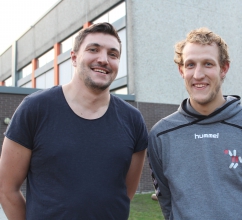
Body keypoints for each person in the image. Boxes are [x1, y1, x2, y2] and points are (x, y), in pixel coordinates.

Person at [0, 22, 148, 219]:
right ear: (74, 57)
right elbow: (6, 189)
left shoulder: (133, 119)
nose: (103, 59)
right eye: (93, 49)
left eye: (113, 54)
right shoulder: (35, 109)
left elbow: (125, 193)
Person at [147, 27, 242, 220]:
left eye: (208, 64)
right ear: (181, 70)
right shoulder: (160, 135)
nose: (198, 74)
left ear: (224, 68)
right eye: (190, 65)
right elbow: (166, 198)